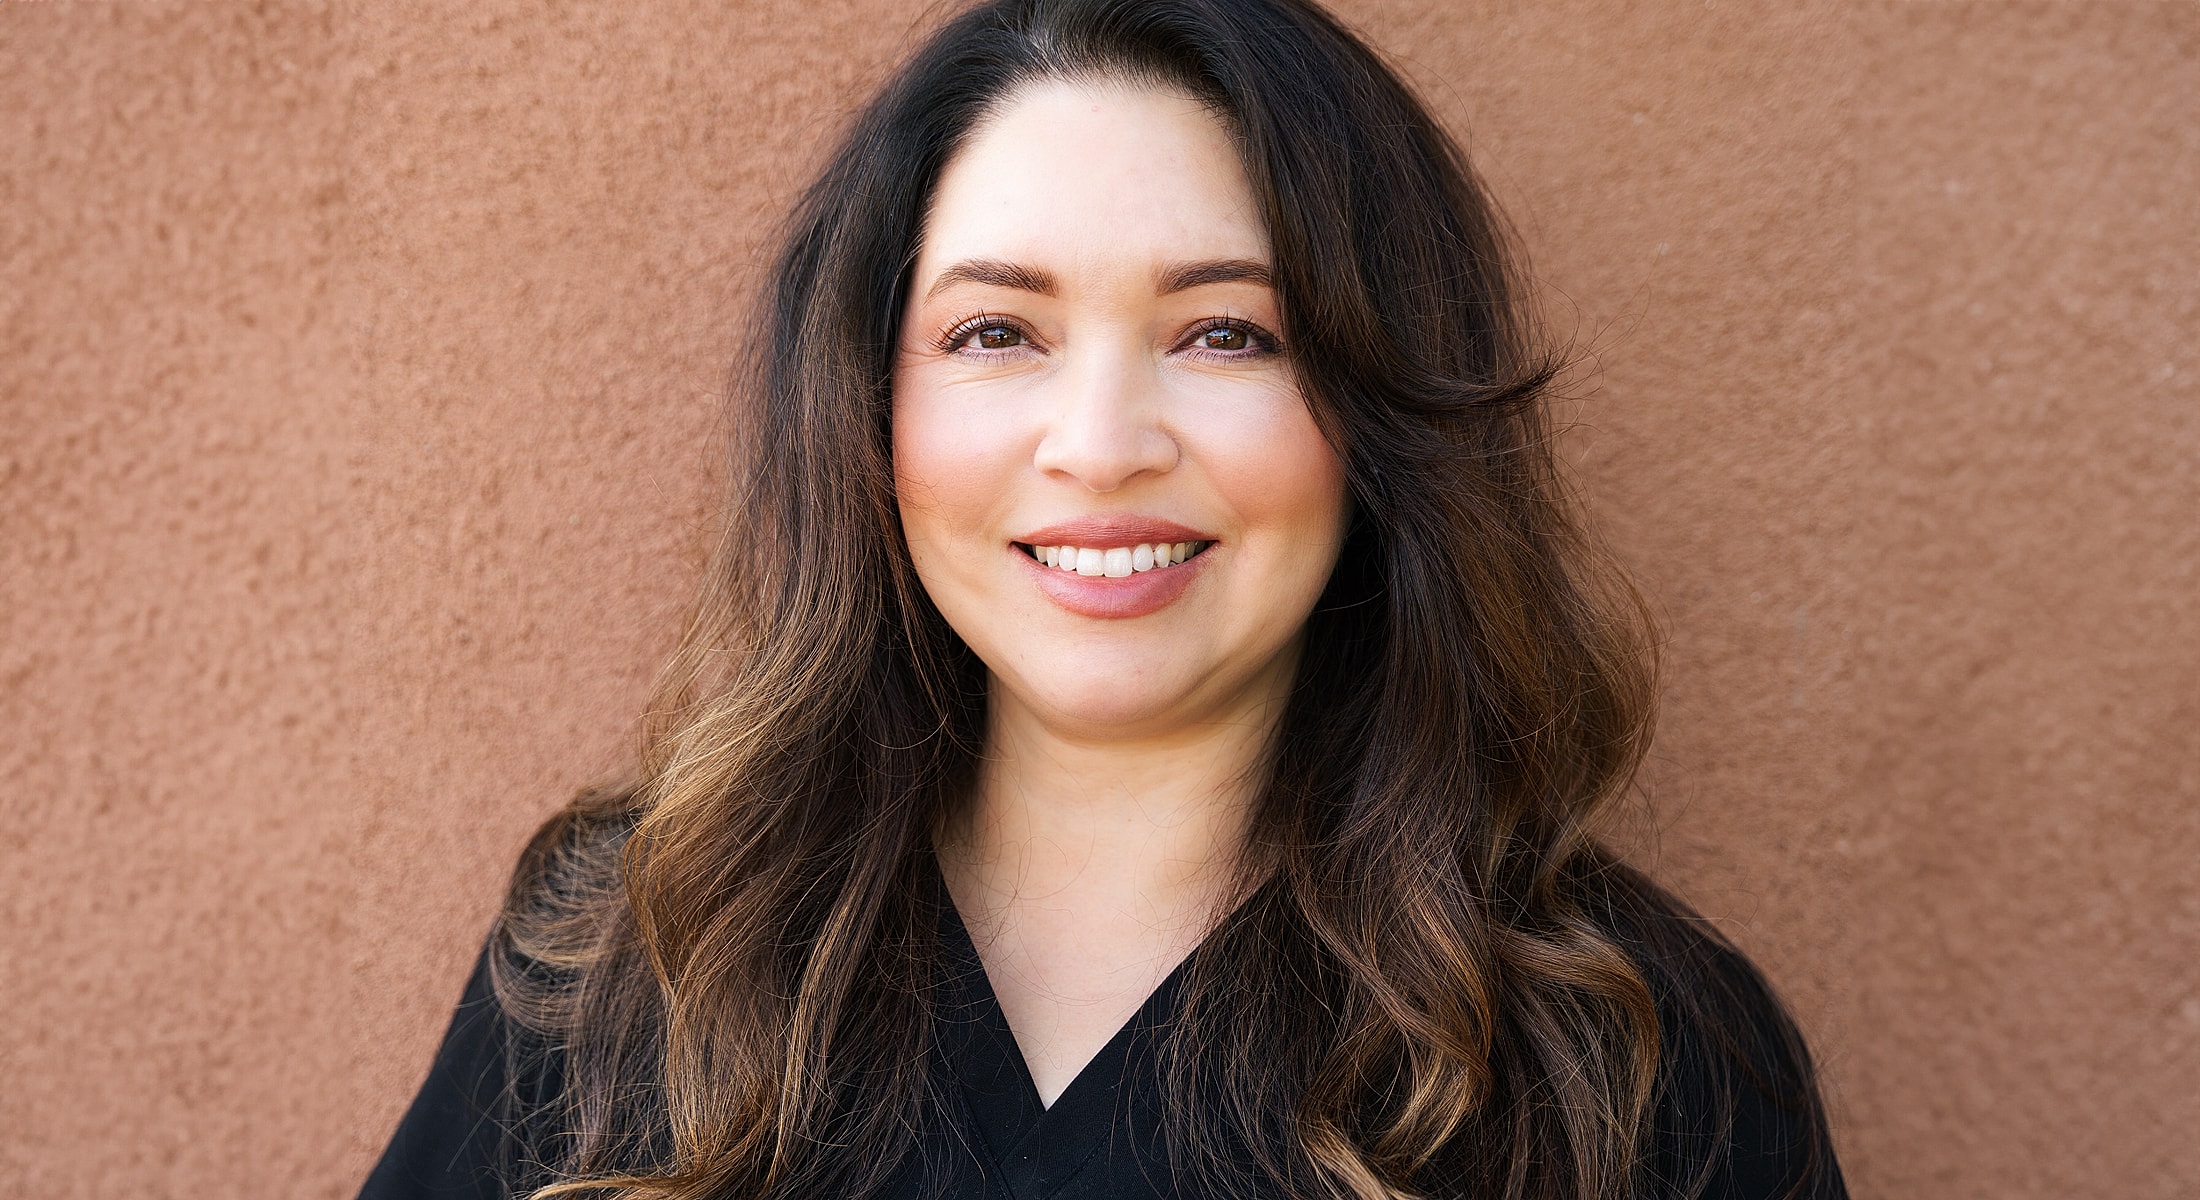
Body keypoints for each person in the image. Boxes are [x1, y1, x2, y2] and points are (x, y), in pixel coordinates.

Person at [359, 1, 1846, 1197]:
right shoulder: (628, 963)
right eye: (998, 329)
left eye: (1225, 334)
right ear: (864, 414)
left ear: (1382, 414)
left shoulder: (1633, 1060)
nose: (1102, 446)